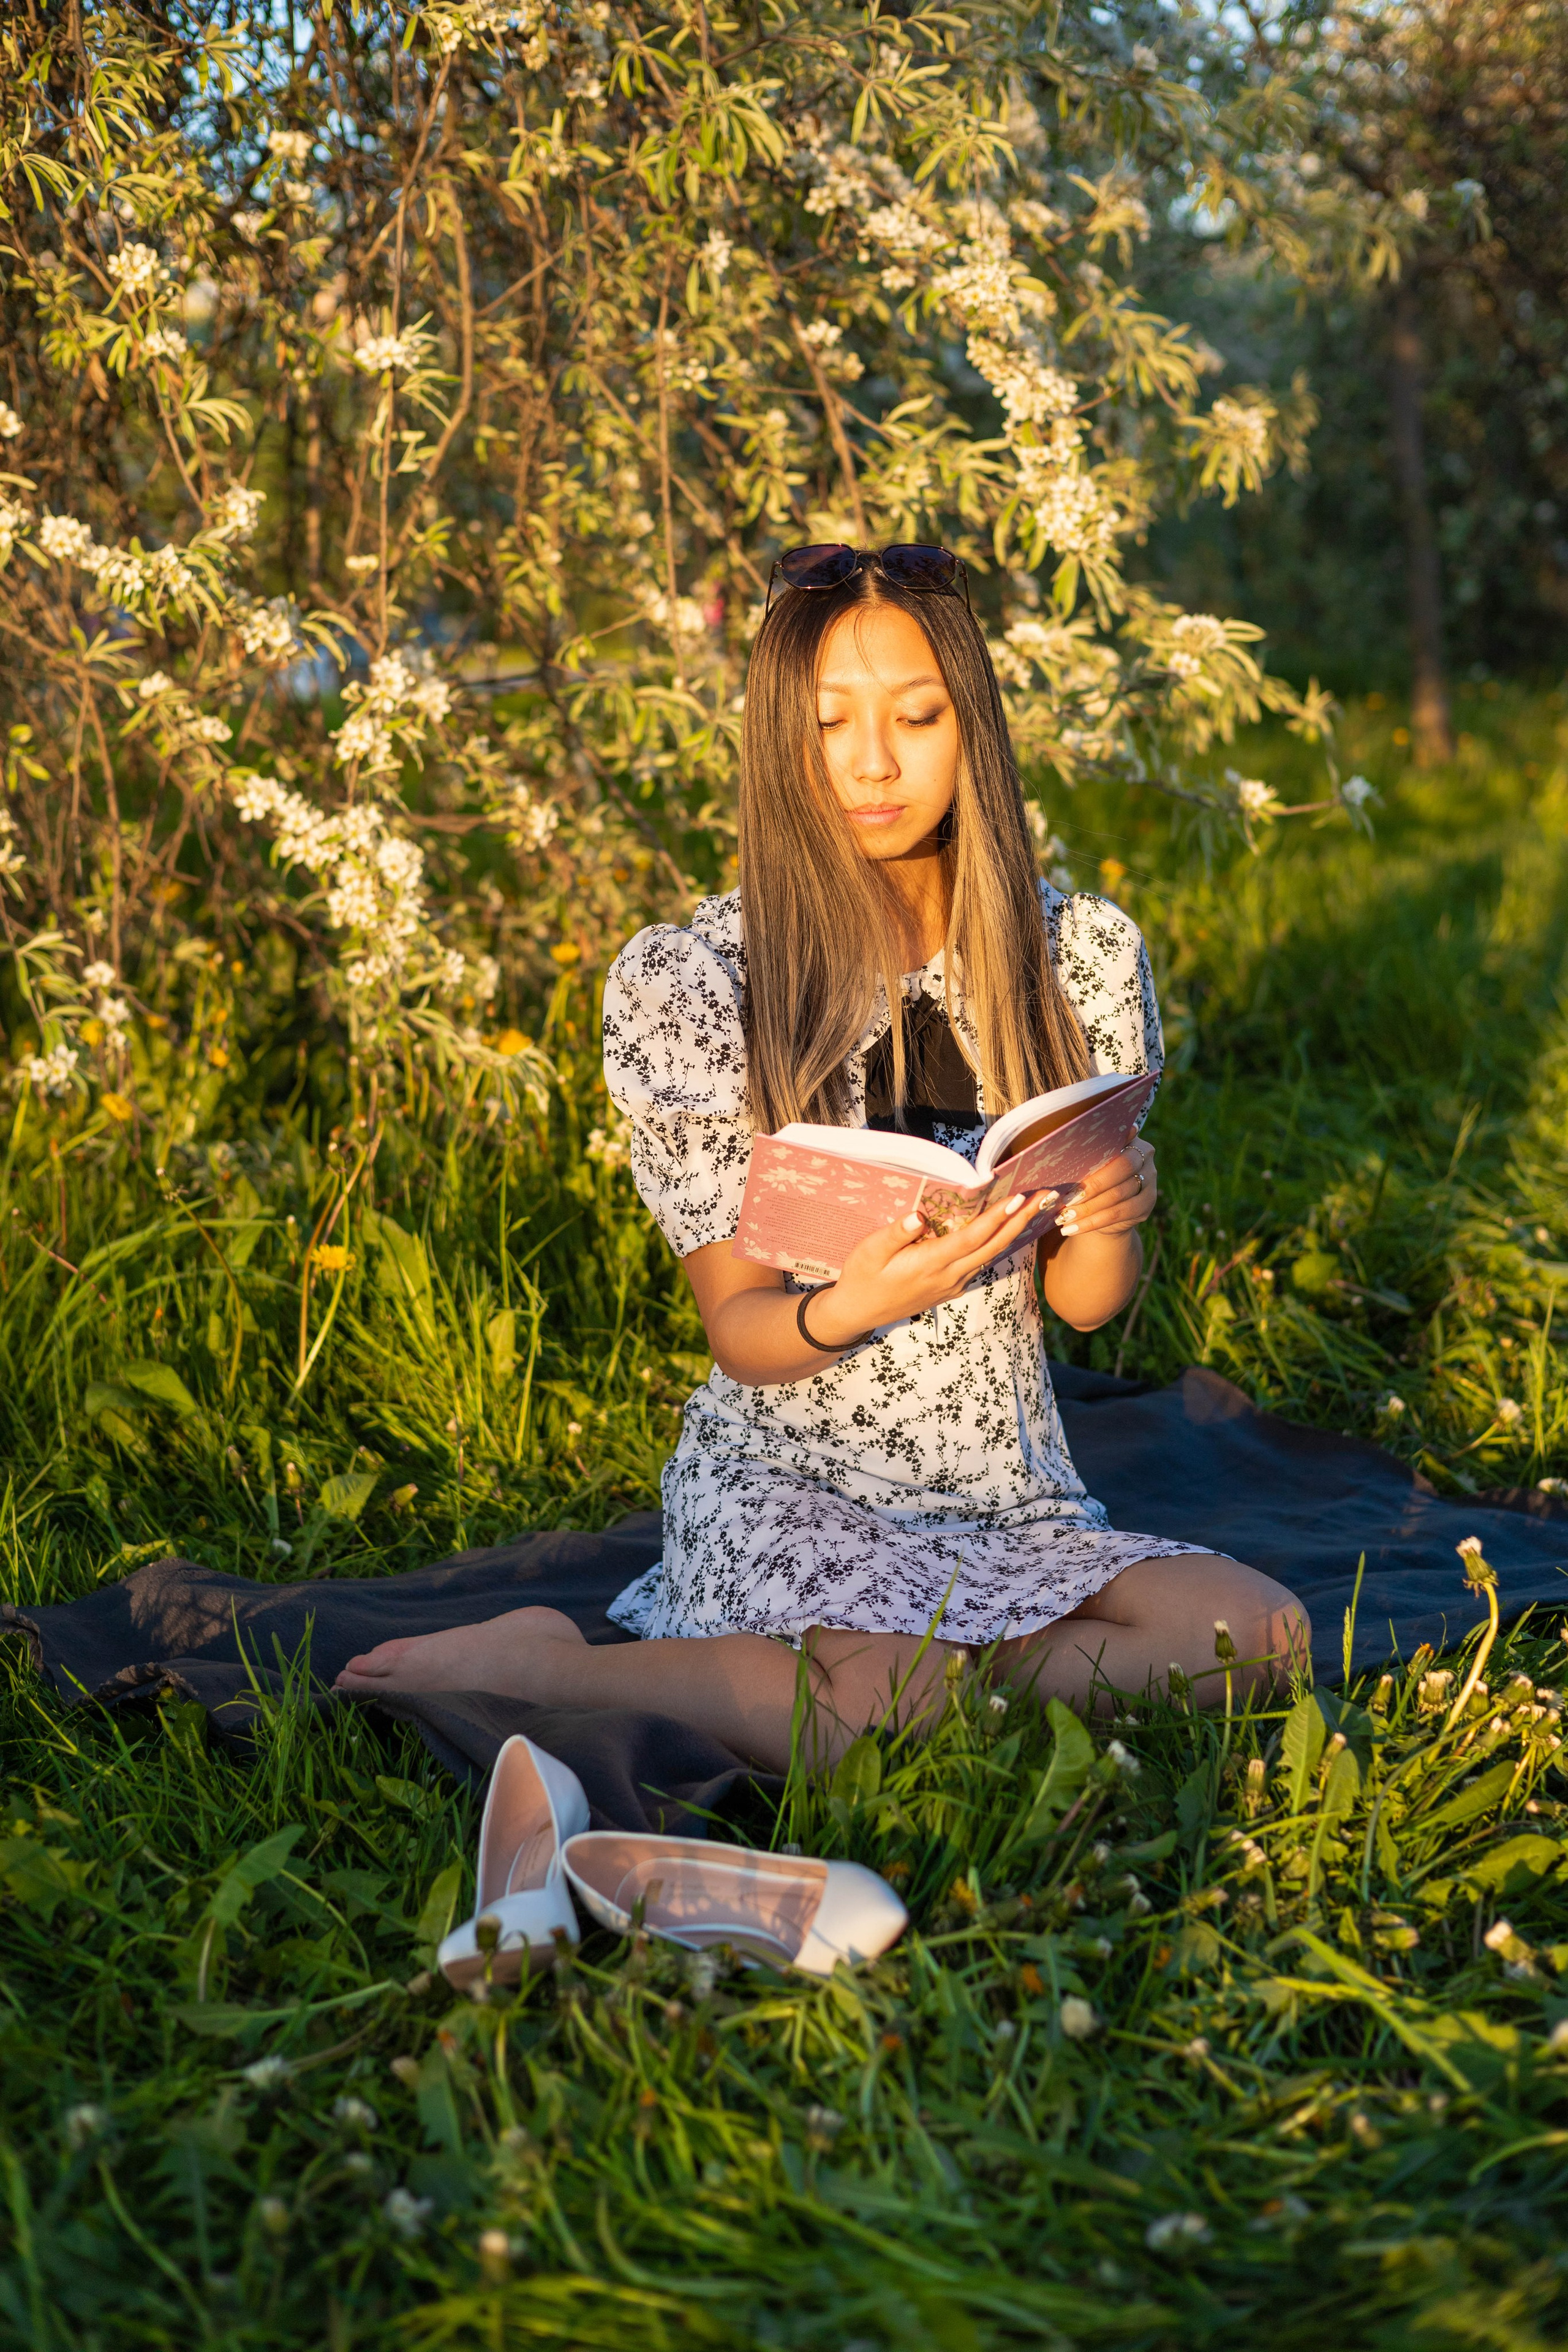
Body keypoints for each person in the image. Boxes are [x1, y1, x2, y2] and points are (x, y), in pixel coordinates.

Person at [337, 545, 1310, 1764]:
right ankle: (562, 1664)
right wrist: (857, 1302)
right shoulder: (698, 984)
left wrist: (1107, 1218)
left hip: (1002, 1495)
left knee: (1258, 1635)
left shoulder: (1075, 957)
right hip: (791, 1481)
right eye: (829, 723)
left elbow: (1082, 1311)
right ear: (778, 740)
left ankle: (926, 1678)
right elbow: (741, 1333)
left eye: (916, 716)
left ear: (971, 727)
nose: (872, 762)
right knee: (877, 1716)